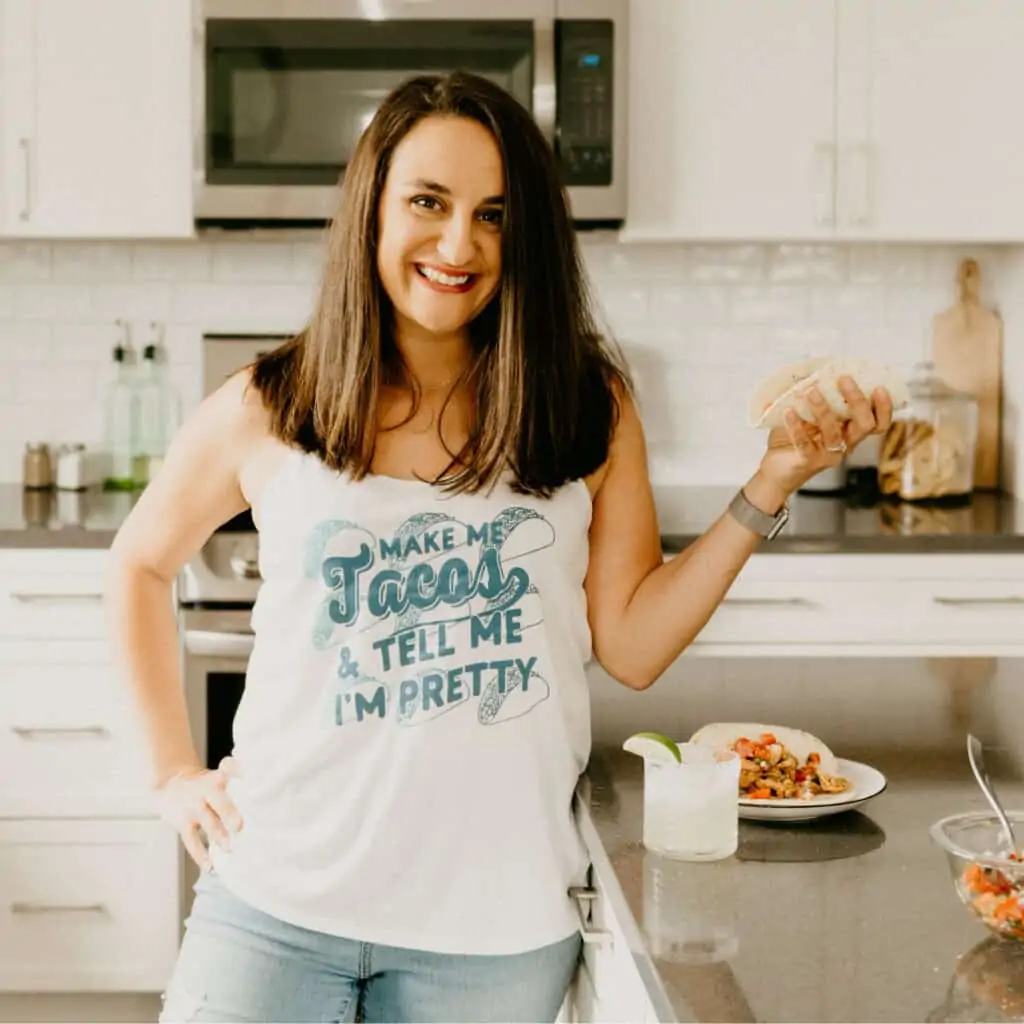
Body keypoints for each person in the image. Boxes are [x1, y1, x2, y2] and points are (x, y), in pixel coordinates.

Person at [105, 70, 893, 1024]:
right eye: (428, 204)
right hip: (275, 903)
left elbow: (635, 645)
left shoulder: (584, 405)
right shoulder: (270, 402)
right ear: (372, 211)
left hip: (490, 933)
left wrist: (768, 483)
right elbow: (138, 564)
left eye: (493, 214)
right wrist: (170, 774)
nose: (458, 244)